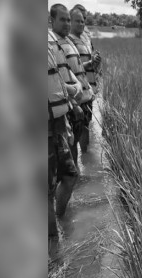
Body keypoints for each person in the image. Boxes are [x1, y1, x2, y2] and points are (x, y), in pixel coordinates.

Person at [50, 4, 93, 166]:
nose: (67, 24)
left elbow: (73, 72)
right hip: (70, 105)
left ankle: (80, 177)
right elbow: (56, 80)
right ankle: (77, 183)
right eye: (63, 20)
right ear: (51, 20)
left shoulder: (67, 40)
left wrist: (88, 90)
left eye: (68, 20)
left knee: (77, 142)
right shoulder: (52, 44)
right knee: (71, 146)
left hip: (78, 101)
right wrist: (74, 104)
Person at [69, 8, 101, 153]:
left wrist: (95, 62)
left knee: (85, 127)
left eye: (83, 21)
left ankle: (86, 159)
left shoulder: (84, 39)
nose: (82, 24)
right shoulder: (67, 41)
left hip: (87, 90)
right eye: (78, 21)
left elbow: (87, 65)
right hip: (76, 96)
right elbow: (71, 68)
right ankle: (80, 166)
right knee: (75, 134)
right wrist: (89, 63)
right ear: (70, 21)